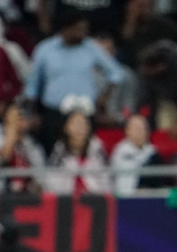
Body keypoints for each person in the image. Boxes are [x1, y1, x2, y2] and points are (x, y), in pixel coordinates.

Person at [23, 10, 125, 152]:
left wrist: (103, 97)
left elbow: (116, 73)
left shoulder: (91, 48)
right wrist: (32, 113)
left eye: (84, 29)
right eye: (78, 29)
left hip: (85, 110)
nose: (82, 33)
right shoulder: (45, 49)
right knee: (54, 153)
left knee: (84, 152)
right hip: (54, 112)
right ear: (66, 28)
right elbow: (32, 85)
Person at [43, 110, 111, 194]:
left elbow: (106, 180)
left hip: (94, 200)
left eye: (83, 124)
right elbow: (51, 182)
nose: (79, 128)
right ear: (66, 128)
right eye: (75, 123)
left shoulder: (97, 149)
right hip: (65, 201)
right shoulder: (58, 151)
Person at [110, 114, 162, 195]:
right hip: (124, 198)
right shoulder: (119, 152)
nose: (139, 131)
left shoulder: (153, 153)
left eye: (143, 128)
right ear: (127, 131)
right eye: (136, 128)